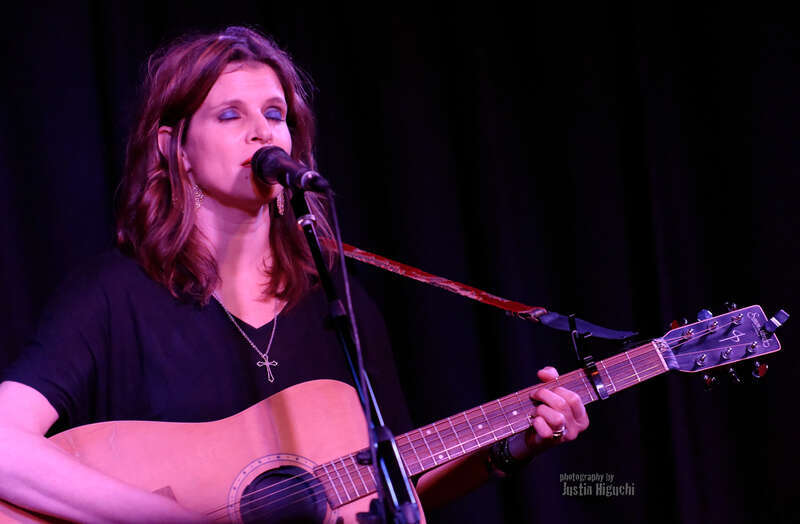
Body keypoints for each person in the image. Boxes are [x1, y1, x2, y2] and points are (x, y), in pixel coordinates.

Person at [0, 26, 589, 522]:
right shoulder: (112, 296)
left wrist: (510, 449)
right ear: (173, 147)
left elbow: (391, 484)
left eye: (275, 114)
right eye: (230, 114)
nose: (262, 132)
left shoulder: (332, 301)